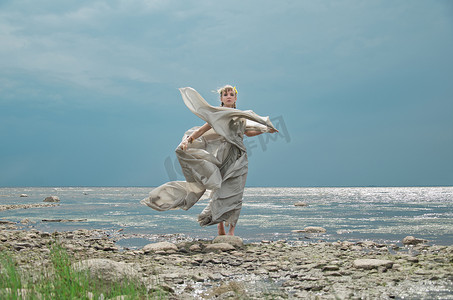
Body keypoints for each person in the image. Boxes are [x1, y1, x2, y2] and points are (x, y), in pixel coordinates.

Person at [141, 85, 278, 236]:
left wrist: (265, 130)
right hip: (223, 157)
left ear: (236, 98)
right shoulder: (216, 115)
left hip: (239, 157)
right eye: (225, 94)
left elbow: (247, 133)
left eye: (231, 94)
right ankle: (220, 227)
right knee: (219, 191)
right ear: (221, 99)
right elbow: (201, 130)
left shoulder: (241, 116)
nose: (228, 96)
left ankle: (231, 230)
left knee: (236, 193)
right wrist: (188, 140)